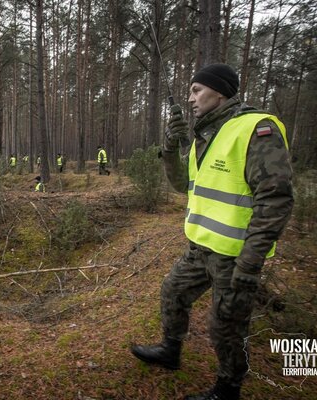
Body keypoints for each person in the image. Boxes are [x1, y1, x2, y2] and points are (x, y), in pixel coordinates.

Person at [130, 63, 294, 400]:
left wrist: (250, 263)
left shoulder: (256, 128)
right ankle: (170, 351)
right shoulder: (208, 135)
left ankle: (228, 387)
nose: (191, 98)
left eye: (196, 90)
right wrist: (171, 147)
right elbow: (182, 185)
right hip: (200, 247)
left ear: (219, 91)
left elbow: (275, 199)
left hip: (236, 256)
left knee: (226, 327)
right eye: (190, 91)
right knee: (173, 292)